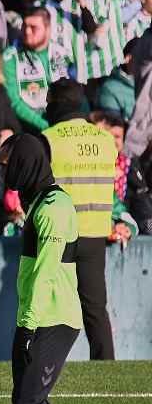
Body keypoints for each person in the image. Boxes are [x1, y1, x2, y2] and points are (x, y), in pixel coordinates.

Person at [0, 133, 107, 404]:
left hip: (53, 319)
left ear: (25, 161)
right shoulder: (41, 202)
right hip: (35, 315)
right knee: (23, 401)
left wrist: (27, 325)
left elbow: (45, 272)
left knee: (29, 401)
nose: (2, 167)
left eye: (6, 160)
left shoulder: (54, 207)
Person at [42, 81, 119, 361]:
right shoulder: (106, 140)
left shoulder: (48, 138)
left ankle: (45, 365)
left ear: (56, 104)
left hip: (60, 235)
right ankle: (106, 368)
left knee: (51, 306)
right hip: (96, 233)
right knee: (95, 309)